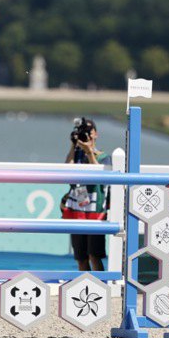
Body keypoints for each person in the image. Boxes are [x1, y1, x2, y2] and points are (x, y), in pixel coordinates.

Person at [61, 117, 111, 272]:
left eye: (89, 132)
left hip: (95, 212)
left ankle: (101, 287)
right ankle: (84, 286)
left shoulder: (104, 156)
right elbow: (65, 170)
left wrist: (89, 152)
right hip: (77, 210)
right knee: (81, 258)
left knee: (94, 255)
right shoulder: (77, 156)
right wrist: (73, 146)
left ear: (96, 134)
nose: (86, 136)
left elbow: (101, 177)